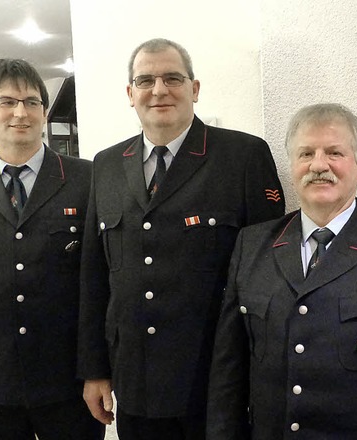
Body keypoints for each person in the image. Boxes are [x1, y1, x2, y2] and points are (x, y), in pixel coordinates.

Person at [77, 38, 285, 439]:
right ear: (129, 94)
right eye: (145, 80)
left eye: (173, 77)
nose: (159, 90)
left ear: (195, 88)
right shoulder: (105, 165)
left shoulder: (242, 157)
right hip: (135, 379)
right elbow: (94, 276)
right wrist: (94, 370)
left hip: (214, 378)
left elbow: (268, 274)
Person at [206, 103, 357, 439]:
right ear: (292, 165)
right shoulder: (252, 244)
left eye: (334, 153)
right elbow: (229, 373)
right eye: (305, 154)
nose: (318, 165)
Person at [0, 59, 103, 439]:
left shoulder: (89, 180)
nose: (21, 112)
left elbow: (100, 282)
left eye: (32, 102)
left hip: (67, 383)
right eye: (7, 101)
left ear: (45, 112)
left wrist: (98, 370)